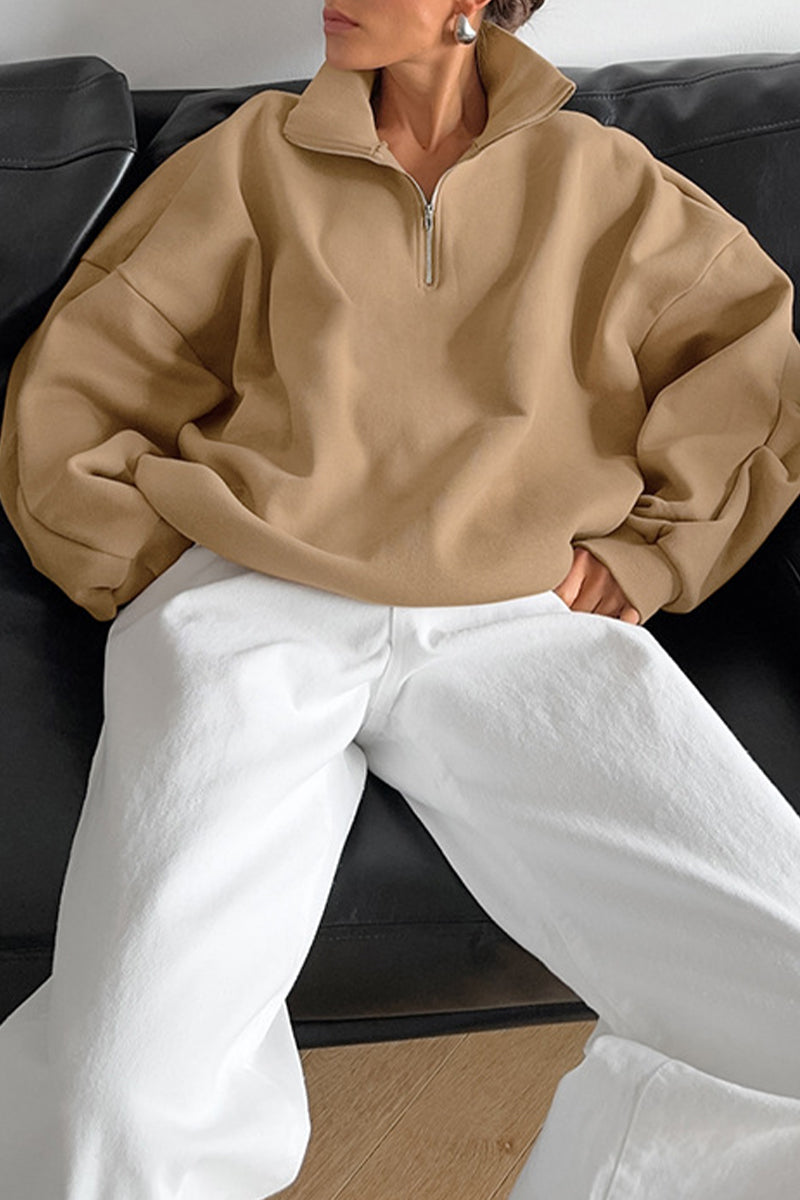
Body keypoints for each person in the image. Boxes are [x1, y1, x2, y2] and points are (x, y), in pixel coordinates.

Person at [1, 1, 799, 1196]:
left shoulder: (599, 177)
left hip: (516, 622)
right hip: (252, 609)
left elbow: (749, 359)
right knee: (124, 1075)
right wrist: (151, 562)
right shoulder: (250, 158)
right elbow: (83, 374)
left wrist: (652, 551)